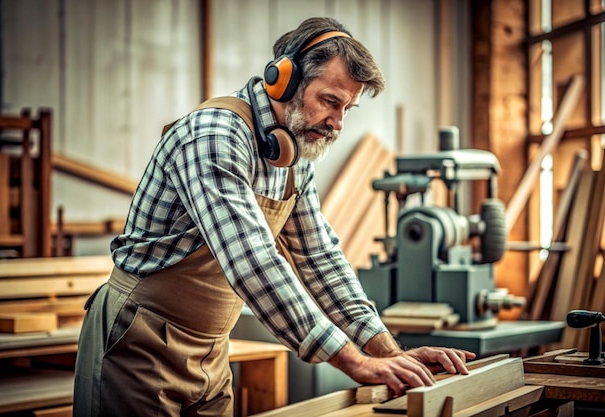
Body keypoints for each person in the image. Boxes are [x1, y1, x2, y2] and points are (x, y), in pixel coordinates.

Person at [73, 16, 475, 417]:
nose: (337, 123)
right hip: (139, 341)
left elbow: (320, 259)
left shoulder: (293, 151)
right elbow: (253, 261)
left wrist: (387, 350)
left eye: (347, 108)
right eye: (330, 101)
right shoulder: (214, 136)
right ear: (283, 80)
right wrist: (354, 362)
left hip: (211, 349)